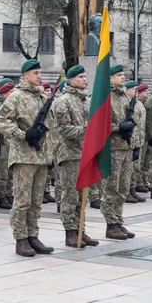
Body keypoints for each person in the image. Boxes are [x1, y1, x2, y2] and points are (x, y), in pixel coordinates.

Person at [0, 59, 54, 257]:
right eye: (35, 73)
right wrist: (22, 134)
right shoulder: (16, 97)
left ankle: (33, 235)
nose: (39, 76)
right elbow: (0, 121)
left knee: (36, 201)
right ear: (25, 75)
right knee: (22, 201)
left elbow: (51, 128)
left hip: (41, 156)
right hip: (23, 156)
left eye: (40, 72)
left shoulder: (43, 98)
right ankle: (21, 239)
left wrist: (51, 153)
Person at [49, 65, 99, 248]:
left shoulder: (87, 100)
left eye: (85, 76)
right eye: (80, 77)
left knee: (82, 196)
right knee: (71, 195)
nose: (85, 79)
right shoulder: (63, 101)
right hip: (69, 154)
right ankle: (70, 232)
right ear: (70, 80)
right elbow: (62, 129)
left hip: (85, 153)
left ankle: (80, 230)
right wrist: (86, 130)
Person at [102, 65, 136, 240]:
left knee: (123, 188)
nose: (123, 77)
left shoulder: (123, 96)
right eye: (119, 75)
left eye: (124, 75)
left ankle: (118, 220)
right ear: (110, 78)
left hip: (125, 147)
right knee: (111, 188)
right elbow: (99, 124)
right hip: (112, 148)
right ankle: (111, 224)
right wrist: (117, 127)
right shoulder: (105, 97)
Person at [0, 82, 15, 210]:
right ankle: (1, 196)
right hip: (2, 143)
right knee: (2, 172)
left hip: (11, 142)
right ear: (5, 94)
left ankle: (8, 194)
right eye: (11, 93)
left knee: (10, 172)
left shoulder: (11, 104)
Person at [124, 81, 146, 203]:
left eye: (137, 90)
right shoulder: (126, 102)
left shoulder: (139, 104)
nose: (136, 92)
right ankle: (126, 191)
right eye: (133, 90)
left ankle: (132, 189)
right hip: (129, 140)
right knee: (128, 168)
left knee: (136, 168)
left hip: (139, 140)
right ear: (126, 90)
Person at [134, 84, 151, 193]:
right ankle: (138, 183)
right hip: (137, 138)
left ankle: (144, 181)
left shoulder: (144, 104)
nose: (147, 93)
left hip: (145, 136)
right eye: (145, 91)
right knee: (138, 162)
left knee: (146, 162)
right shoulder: (134, 104)